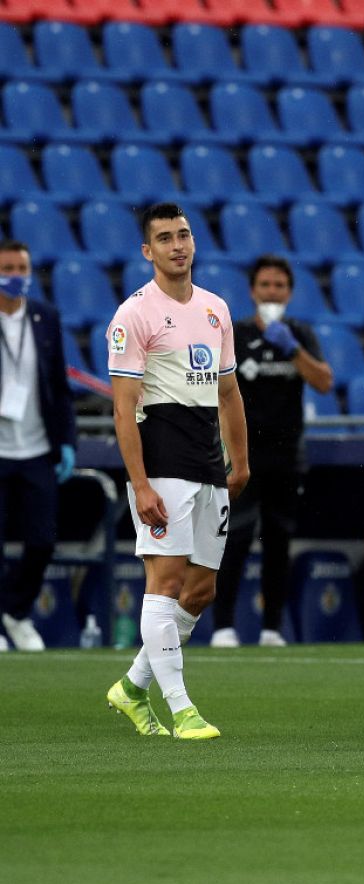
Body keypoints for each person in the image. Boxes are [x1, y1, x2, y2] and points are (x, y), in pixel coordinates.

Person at [103, 202, 249, 740]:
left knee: (201, 590)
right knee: (164, 584)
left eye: (183, 234)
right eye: (164, 238)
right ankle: (182, 709)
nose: (177, 245)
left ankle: (132, 688)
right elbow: (124, 409)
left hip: (209, 461)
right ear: (148, 251)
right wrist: (139, 483)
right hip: (162, 461)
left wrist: (241, 459)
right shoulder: (134, 314)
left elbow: (229, 391)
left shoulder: (216, 309)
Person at [210, 255, 333, 648]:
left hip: (286, 455)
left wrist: (293, 350)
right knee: (235, 538)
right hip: (242, 455)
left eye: (279, 286)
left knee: (278, 542)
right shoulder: (236, 334)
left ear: (290, 292)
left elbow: (324, 383)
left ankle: (272, 629)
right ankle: (224, 626)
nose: (272, 292)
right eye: (265, 285)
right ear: (252, 290)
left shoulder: (299, 333)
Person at [0, 240, 76, 653]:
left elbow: (60, 390)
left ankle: (14, 610)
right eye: (7, 266)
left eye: (21, 267)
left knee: (42, 541)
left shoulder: (46, 318)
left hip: (36, 448)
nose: (14, 274)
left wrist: (67, 442)